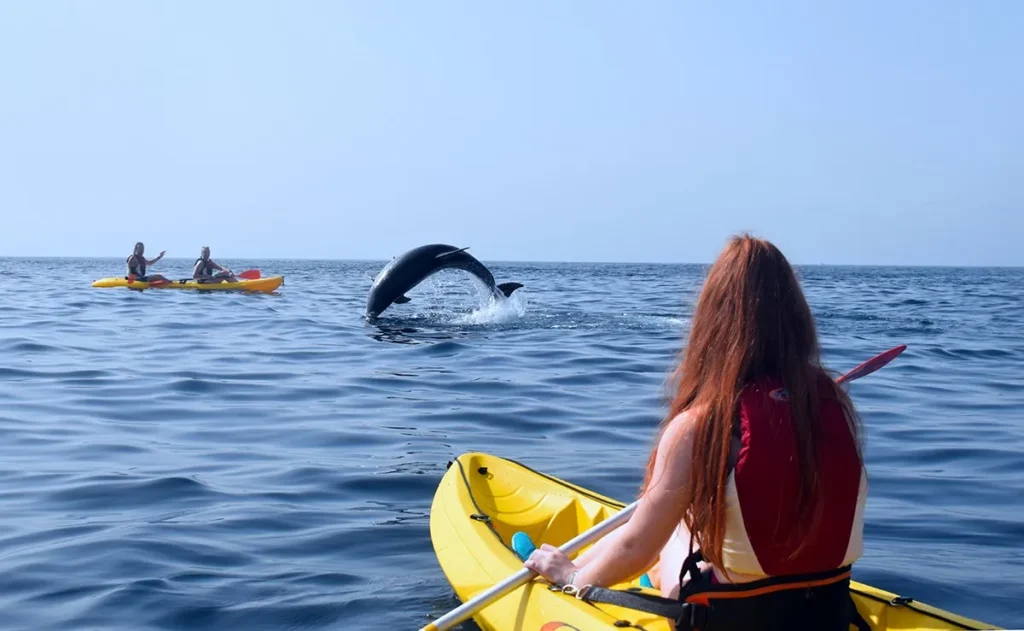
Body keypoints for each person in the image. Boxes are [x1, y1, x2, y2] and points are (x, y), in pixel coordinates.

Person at [522, 234, 868, 631]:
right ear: (798, 319)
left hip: (729, 622)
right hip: (827, 615)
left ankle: (575, 562)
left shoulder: (700, 426)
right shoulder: (836, 405)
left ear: (712, 323)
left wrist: (571, 578)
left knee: (678, 525)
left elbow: (637, 548)